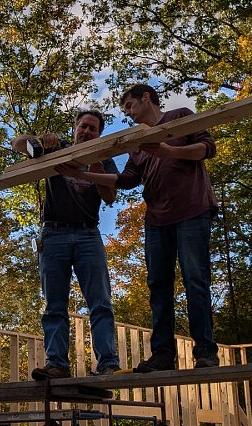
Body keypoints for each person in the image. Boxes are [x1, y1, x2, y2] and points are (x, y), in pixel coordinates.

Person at [61, 84, 219, 371]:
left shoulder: (180, 117)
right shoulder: (137, 144)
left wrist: (169, 150)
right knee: (158, 288)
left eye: (130, 107)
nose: (129, 114)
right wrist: (84, 174)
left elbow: (208, 149)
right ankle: (162, 355)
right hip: (157, 221)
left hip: (192, 212)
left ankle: (205, 352)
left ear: (146, 98)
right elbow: (125, 181)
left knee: (196, 281)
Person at [12, 109, 122, 380]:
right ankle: (57, 364)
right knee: (54, 305)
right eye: (83, 127)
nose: (86, 132)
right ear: (75, 129)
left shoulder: (104, 159)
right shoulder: (56, 151)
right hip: (54, 234)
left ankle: (108, 363)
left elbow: (109, 196)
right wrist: (39, 140)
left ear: (99, 134)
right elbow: (17, 143)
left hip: (87, 235)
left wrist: (95, 164)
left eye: (92, 129)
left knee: (100, 302)